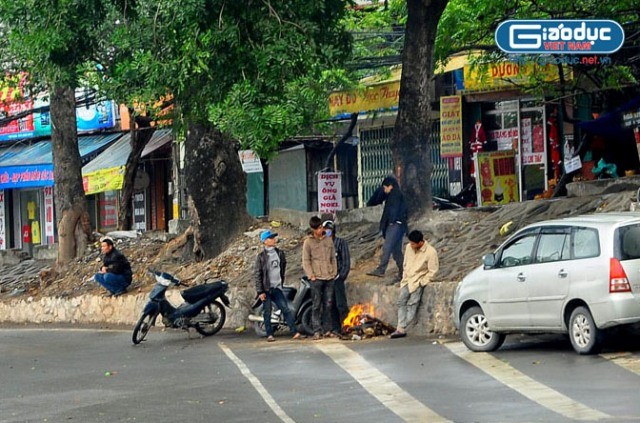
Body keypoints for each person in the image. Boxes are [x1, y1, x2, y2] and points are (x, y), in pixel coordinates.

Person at [254, 230, 305, 342]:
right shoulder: (261, 257)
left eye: (273, 238)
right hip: (266, 289)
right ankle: (269, 334)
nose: (274, 240)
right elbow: (258, 275)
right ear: (265, 241)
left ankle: (294, 332)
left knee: (285, 309)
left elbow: (282, 267)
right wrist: (260, 291)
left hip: (277, 288)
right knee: (267, 312)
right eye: (271, 238)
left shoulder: (279, 253)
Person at [389, 230, 439, 339]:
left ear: (420, 243)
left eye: (413, 244)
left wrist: (423, 282)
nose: (411, 245)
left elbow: (433, 271)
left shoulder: (431, 252)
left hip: (418, 281)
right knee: (401, 302)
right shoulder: (408, 248)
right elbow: (405, 263)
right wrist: (404, 278)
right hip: (407, 280)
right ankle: (400, 327)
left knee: (412, 304)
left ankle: (401, 328)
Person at [302, 216, 338, 340]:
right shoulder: (308, 242)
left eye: (321, 227)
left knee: (328, 304)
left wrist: (334, 271)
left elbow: (333, 257)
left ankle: (327, 329)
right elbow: (306, 260)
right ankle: (317, 330)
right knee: (316, 305)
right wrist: (310, 275)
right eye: (317, 228)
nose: (320, 230)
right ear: (312, 229)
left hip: (329, 277)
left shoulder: (328, 240)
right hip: (316, 277)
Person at [367, 176, 408, 281]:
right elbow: (375, 201)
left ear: (390, 186)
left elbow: (392, 211)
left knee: (387, 247)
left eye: (385, 188)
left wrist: (390, 223)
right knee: (396, 251)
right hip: (400, 226)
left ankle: (381, 269)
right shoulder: (396, 194)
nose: (384, 190)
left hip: (394, 225)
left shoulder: (395, 194)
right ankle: (403, 272)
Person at [322, 219, 350, 336]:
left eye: (329, 230)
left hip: (337, 278)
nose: (327, 232)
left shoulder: (340, 243)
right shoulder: (322, 244)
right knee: (330, 305)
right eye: (325, 230)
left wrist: (341, 276)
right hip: (327, 279)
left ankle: (346, 327)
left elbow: (346, 261)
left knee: (341, 305)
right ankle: (336, 328)